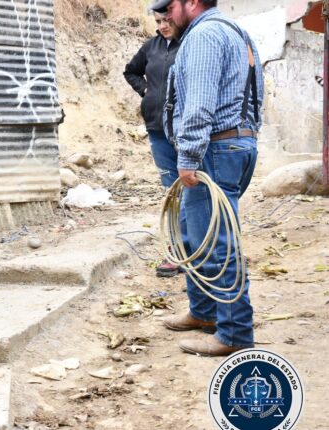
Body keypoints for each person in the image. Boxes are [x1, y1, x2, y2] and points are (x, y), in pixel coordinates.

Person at [151, 0, 263, 356]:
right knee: (194, 233)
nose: (165, 15)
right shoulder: (234, 32)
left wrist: (188, 156)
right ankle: (204, 312)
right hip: (234, 144)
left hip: (214, 150)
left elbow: (199, 104)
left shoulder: (204, 36)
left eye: (170, 7)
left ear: (193, 3)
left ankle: (233, 333)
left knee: (216, 242)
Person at [123, 11, 183, 278]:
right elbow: (131, 71)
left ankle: (197, 247)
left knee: (192, 189)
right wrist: (146, 91)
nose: (162, 27)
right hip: (157, 128)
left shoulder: (192, 41)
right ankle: (176, 250)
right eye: (158, 22)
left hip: (184, 129)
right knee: (171, 191)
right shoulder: (152, 46)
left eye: (166, 21)